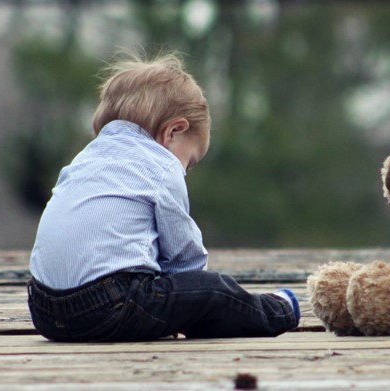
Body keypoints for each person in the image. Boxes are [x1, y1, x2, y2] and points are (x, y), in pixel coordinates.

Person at [26, 52, 299, 342]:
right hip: (108, 306)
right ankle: (279, 309)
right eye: (190, 162)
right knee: (215, 292)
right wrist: (192, 297)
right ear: (174, 131)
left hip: (44, 310)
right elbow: (184, 258)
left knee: (173, 297)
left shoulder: (83, 159)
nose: (185, 171)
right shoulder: (161, 164)